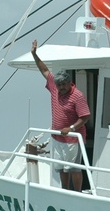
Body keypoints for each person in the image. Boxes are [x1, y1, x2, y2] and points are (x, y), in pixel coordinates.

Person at [31, 39, 91, 191]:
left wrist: (71, 128)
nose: (61, 88)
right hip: (57, 137)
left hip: (72, 139)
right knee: (61, 168)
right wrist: (34, 55)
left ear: (69, 82)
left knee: (73, 168)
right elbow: (44, 71)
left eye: (64, 84)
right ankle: (65, 190)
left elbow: (85, 117)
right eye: (59, 85)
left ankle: (76, 192)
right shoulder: (55, 88)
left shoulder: (77, 96)